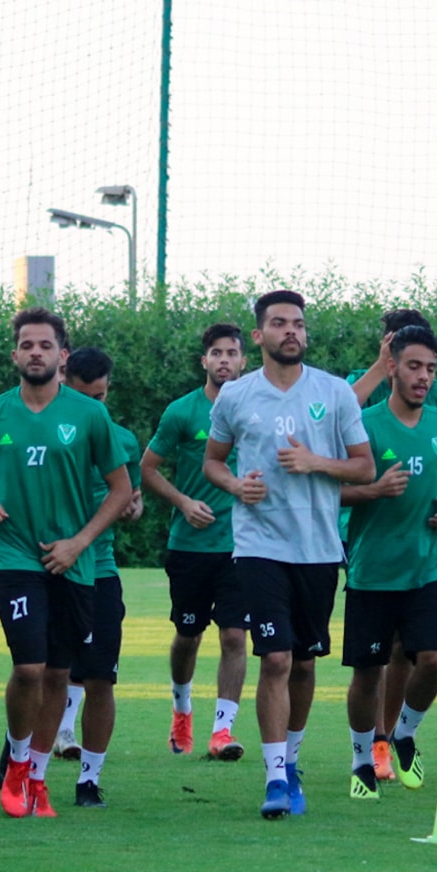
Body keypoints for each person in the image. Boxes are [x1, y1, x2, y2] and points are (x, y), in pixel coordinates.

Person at [204, 290, 373, 820]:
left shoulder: (335, 392)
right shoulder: (235, 396)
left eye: (298, 323)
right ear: (259, 336)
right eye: (279, 324)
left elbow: (364, 467)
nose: (291, 332)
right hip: (259, 546)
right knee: (274, 657)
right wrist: (234, 485)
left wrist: (315, 462)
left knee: (303, 661)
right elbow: (213, 462)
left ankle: (292, 761)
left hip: (319, 548)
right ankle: (275, 777)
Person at [0, 308, 132, 818]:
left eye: (45, 345)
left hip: (73, 562)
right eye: (26, 344)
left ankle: (37, 778)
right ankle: (17, 764)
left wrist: (79, 543)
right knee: (29, 666)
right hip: (15, 554)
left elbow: (121, 488)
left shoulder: (89, 415)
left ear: (62, 355)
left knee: (60, 675)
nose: (35, 352)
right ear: (14, 353)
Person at [338, 324, 437, 799]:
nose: (423, 377)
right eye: (414, 366)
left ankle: (404, 732)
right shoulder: (364, 425)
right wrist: (372, 490)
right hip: (373, 570)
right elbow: (331, 491)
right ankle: (361, 758)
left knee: (432, 659)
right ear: (392, 367)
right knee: (367, 674)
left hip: (426, 568)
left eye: (431, 369)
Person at [140, 324, 249, 758]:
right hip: (190, 545)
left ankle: (222, 733)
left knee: (235, 637)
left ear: (244, 360)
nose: (224, 360)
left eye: (232, 353)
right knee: (188, 635)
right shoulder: (182, 413)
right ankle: (181, 709)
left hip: (243, 546)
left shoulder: (257, 409)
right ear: (204, 361)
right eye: (216, 353)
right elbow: (148, 469)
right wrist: (184, 502)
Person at [54, 348, 145, 806]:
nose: (97, 406)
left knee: (100, 679)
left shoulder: (121, 439)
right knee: (38, 673)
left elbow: (134, 499)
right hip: (48, 566)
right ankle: (23, 762)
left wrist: (133, 508)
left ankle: (88, 779)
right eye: (88, 396)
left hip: (100, 571)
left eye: (103, 396)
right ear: (64, 382)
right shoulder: (48, 430)